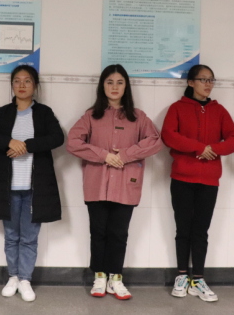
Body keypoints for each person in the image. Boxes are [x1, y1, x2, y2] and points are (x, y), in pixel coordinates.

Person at [67, 64, 163, 300]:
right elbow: (73, 142)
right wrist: (104, 155)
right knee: (98, 231)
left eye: (119, 82)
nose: (114, 87)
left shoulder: (138, 117)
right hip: (96, 184)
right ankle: (99, 277)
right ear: (102, 86)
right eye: (109, 82)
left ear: (126, 86)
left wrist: (126, 154)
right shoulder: (91, 116)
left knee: (119, 233)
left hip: (126, 185)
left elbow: (155, 141)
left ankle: (116, 278)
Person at [0, 65, 63, 302]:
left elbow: (57, 138)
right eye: (17, 81)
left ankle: (25, 279)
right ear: (12, 85)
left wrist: (26, 145)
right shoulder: (3, 112)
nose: (22, 85)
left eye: (27, 81)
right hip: (8, 188)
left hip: (36, 188)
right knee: (12, 235)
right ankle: (12, 277)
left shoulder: (44, 113)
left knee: (29, 237)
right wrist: (9, 142)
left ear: (35, 85)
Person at [161, 64, 234, 302]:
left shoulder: (219, 110)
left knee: (201, 231)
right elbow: (169, 135)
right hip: (182, 178)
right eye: (203, 79)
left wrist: (213, 149)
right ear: (190, 82)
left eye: (211, 80)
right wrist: (199, 148)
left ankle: (198, 279)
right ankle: (181, 276)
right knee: (183, 229)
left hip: (209, 180)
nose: (208, 84)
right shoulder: (177, 108)